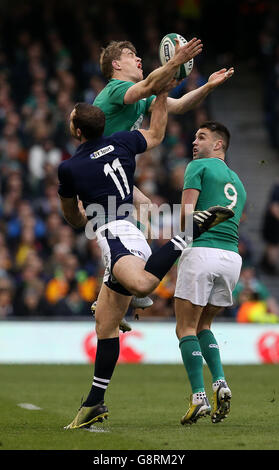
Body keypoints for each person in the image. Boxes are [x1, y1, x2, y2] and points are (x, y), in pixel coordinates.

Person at [58, 99, 233, 429]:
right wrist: (162, 94)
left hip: (114, 235)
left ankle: (188, 231)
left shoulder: (69, 167)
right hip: (133, 230)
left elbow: (72, 215)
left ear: (77, 131)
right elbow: (157, 132)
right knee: (106, 326)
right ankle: (94, 403)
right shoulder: (121, 140)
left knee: (142, 283)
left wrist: (81, 218)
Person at [92, 38, 234, 321]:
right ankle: (117, 286)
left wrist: (207, 86)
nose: (138, 59)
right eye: (131, 55)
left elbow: (179, 105)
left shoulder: (139, 96)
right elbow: (147, 87)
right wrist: (174, 63)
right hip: (98, 172)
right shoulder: (115, 90)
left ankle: (117, 290)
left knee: (143, 207)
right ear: (116, 65)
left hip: (113, 174)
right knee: (120, 225)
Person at [174, 121, 247, 425]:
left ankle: (198, 397)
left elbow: (186, 217)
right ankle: (220, 382)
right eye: (194, 137)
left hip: (202, 251)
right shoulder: (239, 183)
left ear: (218, 145)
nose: (194, 142)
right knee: (205, 324)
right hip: (231, 258)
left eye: (201, 137)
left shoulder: (198, 166)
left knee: (185, 328)